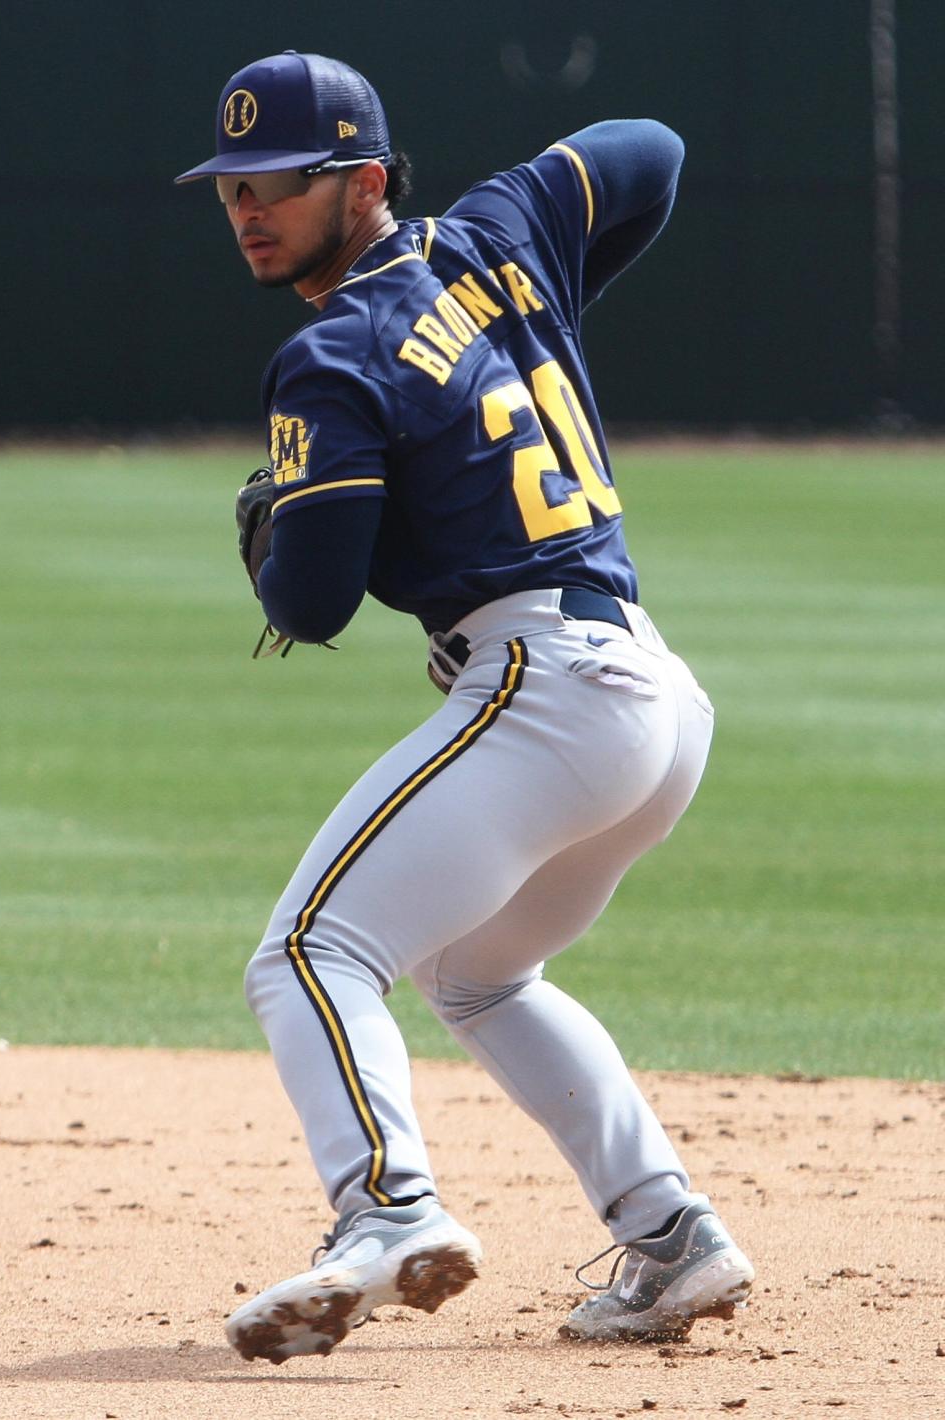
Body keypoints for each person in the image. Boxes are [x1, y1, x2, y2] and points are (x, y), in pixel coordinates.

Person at [176, 50, 754, 1363]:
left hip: (547, 693)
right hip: (657, 704)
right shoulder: (503, 235)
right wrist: (542, 301)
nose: (246, 209)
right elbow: (653, 144)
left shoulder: (333, 353)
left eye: (276, 184)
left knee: (308, 955)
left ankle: (387, 1212)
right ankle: (672, 1239)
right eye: (230, 190)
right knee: (481, 976)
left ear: (364, 179)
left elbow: (310, 603)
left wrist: (274, 537)